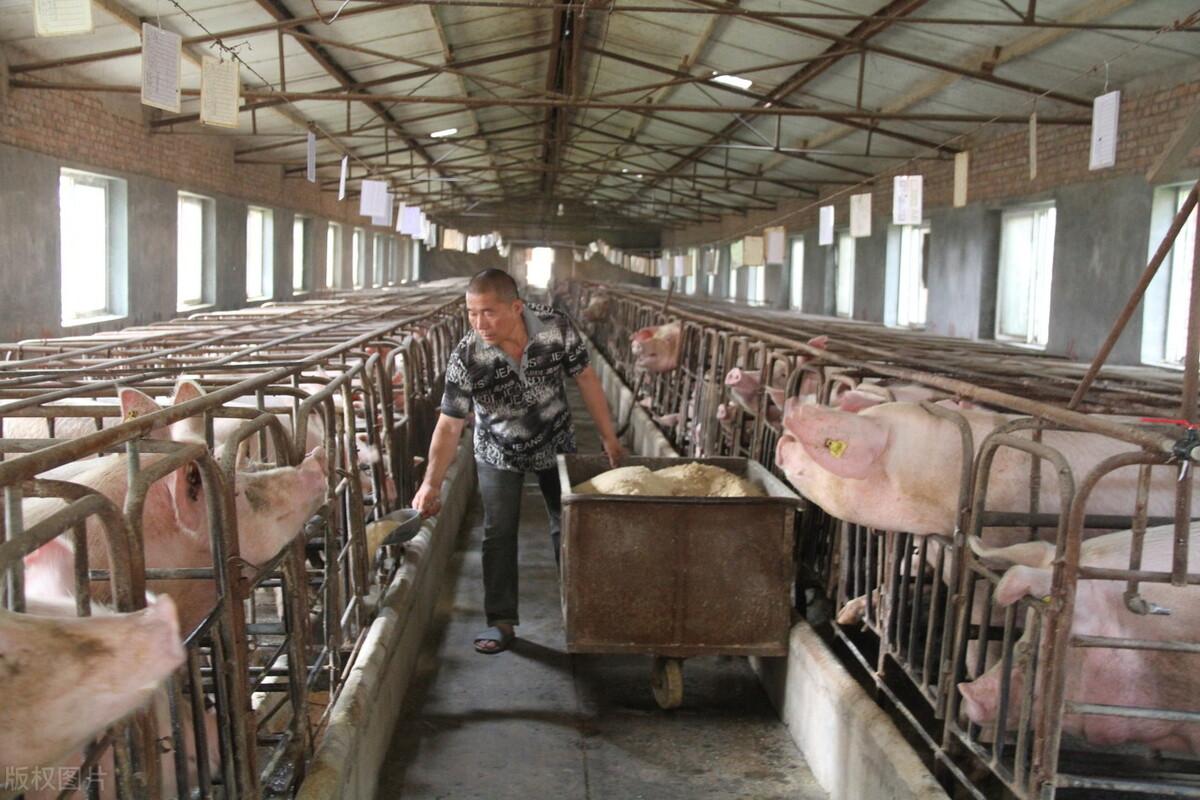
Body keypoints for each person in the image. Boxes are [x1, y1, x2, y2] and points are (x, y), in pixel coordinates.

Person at [411, 269, 624, 654]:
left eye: (489, 312)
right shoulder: (468, 355)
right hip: (497, 449)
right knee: (498, 531)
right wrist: (432, 482)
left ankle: (580, 614)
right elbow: (449, 424)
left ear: (516, 307)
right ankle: (501, 621)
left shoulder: (555, 327)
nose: (480, 323)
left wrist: (609, 436)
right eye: (472, 313)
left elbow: (586, 378)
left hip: (555, 441)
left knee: (569, 524)